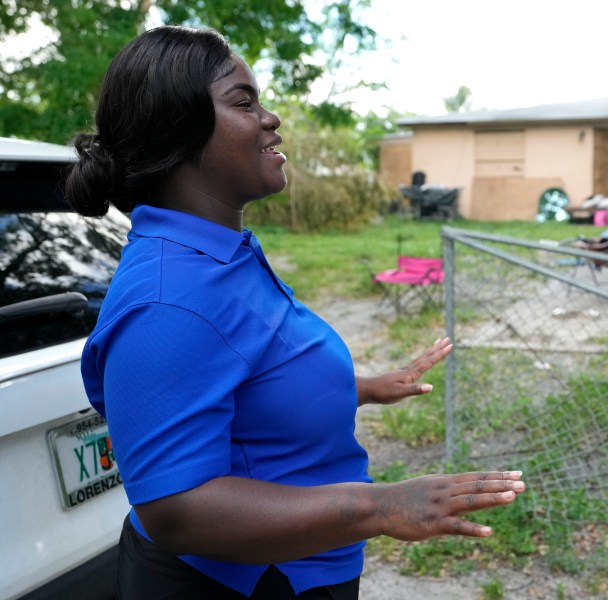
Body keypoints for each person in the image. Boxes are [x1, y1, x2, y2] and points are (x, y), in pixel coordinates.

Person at [65, 26, 525, 600]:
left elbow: (247, 378)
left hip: (296, 569)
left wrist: (357, 387)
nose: (271, 117)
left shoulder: (218, 253)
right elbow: (177, 511)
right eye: (243, 101)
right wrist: (380, 505)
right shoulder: (168, 298)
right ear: (179, 132)